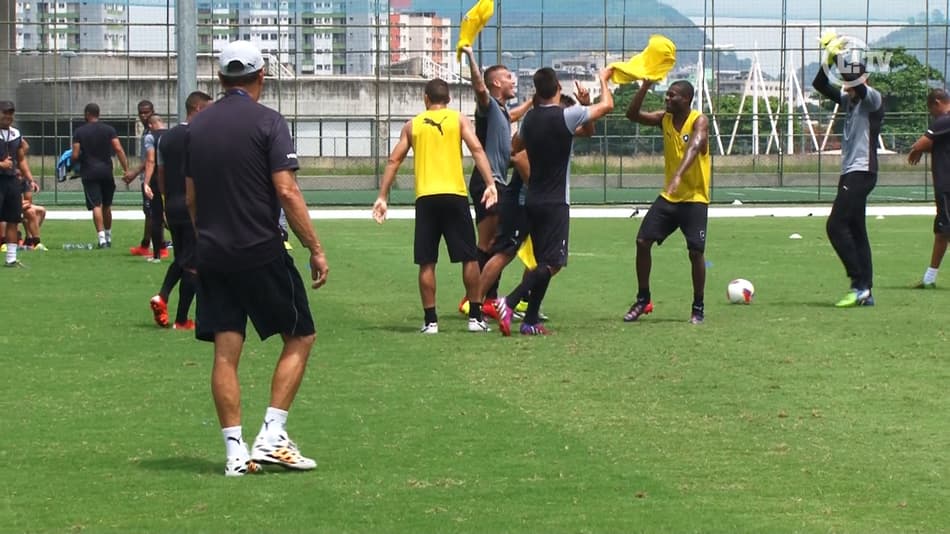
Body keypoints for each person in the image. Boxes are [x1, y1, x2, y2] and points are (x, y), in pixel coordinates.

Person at [186, 40, 328, 476]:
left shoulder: (197, 126)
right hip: (261, 249)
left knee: (225, 353)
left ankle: (235, 453)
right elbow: (286, 190)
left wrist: (206, 239)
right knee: (300, 335)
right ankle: (272, 435)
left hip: (213, 254)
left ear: (220, 78)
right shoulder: (269, 121)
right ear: (261, 76)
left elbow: (191, 199)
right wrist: (315, 248)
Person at [494, 67, 614, 336]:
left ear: (536, 91)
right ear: (558, 87)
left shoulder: (530, 119)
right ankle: (509, 301)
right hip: (556, 202)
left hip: (533, 199)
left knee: (541, 262)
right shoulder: (566, 115)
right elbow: (607, 105)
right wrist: (603, 81)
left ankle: (530, 321)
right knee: (553, 264)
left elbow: (516, 146)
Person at [372, 77, 498, 334]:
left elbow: (394, 160)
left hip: (426, 199)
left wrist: (383, 196)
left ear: (426, 99)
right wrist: (490, 183)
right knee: (469, 258)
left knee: (427, 262)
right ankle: (475, 318)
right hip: (455, 196)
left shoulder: (413, 125)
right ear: (448, 99)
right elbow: (477, 149)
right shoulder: (458, 119)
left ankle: (431, 322)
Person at [480, 91, 593, 324]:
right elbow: (517, 156)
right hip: (524, 201)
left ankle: (526, 304)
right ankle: (475, 304)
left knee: (543, 258)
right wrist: (543, 190)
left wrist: (586, 106)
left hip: (538, 201)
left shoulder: (562, 130)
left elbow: (589, 131)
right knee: (507, 252)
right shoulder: (540, 128)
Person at [623, 79, 711, 324]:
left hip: (694, 199)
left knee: (696, 252)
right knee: (642, 241)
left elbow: (694, 146)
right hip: (670, 197)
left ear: (686, 99)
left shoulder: (699, 120)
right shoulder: (665, 119)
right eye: (667, 95)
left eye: (672, 95)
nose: (667, 99)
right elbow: (632, 115)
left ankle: (698, 306)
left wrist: (679, 174)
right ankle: (643, 299)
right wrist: (644, 87)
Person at [459, 45, 532, 316]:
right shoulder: (488, 105)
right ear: (496, 83)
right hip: (486, 183)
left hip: (498, 184)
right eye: (509, 77)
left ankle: (486, 298)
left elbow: (514, 116)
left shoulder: (501, 111)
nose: (514, 80)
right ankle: (473, 300)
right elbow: (479, 89)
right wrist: (470, 56)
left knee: (497, 242)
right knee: (487, 244)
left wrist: (532, 103)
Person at [812, 42, 884, 307]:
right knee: (856, 230)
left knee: (835, 225)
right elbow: (819, 84)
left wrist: (838, 54)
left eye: (850, 79)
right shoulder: (847, 101)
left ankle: (858, 283)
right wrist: (829, 59)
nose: (844, 83)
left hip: (862, 171)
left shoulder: (872, 99)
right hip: (850, 172)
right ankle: (866, 291)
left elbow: (855, 81)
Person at [151, 91, 213, 329]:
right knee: (193, 263)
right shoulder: (201, 135)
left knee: (183, 258)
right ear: (197, 108)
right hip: (193, 206)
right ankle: (179, 317)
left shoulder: (165, 138)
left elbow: (161, 175)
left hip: (172, 205)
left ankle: (167, 303)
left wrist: (166, 201)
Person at [908, 87, 950, 288]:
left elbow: (920, 144)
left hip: (947, 185)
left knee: (946, 229)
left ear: (937, 103)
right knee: (941, 231)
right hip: (944, 184)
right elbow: (934, 145)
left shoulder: (944, 120)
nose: (931, 114)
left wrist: (917, 150)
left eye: (930, 109)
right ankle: (929, 278)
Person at [72, 102, 130, 248]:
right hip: (106, 172)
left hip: (89, 172)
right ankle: (109, 236)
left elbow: (75, 154)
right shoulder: (109, 130)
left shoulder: (79, 131)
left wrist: (72, 165)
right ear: (98, 114)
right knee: (107, 205)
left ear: (87, 114)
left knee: (96, 205)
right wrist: (126, 169)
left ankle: (102, 239)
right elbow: (118, 149)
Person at [125, 99, 167, 258]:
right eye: (141, 113)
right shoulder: (146, 132)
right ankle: (145, 244)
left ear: (152, 112)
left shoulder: (152, 134)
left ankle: (160, 246)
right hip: (150, 176)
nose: (143, 116)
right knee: (149, 212)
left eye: (146, 112)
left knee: (154, 213)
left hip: (154, 178)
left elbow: (151, 159)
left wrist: (136, 173)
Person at [0, 100, 31, 266]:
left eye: (10, 113)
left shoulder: (15, 134)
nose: (8, 116)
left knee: (13, 219)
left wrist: (29, 178)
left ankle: (11, 258)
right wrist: (1, 164)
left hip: (11, 181)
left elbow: (21, 158)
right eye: (4, 112)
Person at [143, 114, 168, 263]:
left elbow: (151, 160)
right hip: (174, 179)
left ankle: (157, 254)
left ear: (150, 125)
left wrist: (146, 182)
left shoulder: (150, 137)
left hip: (157, 179)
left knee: (156, 217)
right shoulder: (172, 135)